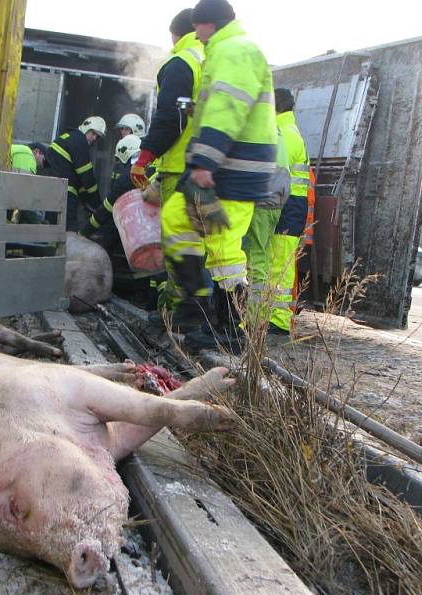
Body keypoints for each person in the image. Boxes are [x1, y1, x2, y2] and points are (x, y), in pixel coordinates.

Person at [165, 0, 277, 351]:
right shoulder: (230, 50)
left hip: (233, 171)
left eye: (197, 27)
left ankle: (220, 324)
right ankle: (206, 318)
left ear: (207, 24)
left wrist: (203, 164)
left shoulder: (234, 51)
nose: (194, 34)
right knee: (198, 233)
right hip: (231, 169)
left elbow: (228, 109)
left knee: (215, 243)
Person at [131, 8, 205, 320]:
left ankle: (178, 317)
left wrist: (144, 158)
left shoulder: (181, 62)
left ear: (175, 32)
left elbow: (171, 118)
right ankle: (205, 317)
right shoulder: (212, 60)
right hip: (211, 169)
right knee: (205, 245)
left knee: (179, 245)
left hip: (182, 169)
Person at [247, 87, 311, 337]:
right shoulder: (292, 130)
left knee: (278, 264)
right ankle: (276, 318)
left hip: (286, 204)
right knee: (279, 263)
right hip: (291, 204)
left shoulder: (283, 133)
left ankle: (278, 320)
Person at [80, 134, 143, 252]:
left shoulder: (128, 176)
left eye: (119, 159)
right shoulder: (149, 168)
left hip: (133, 224)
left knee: (105, 241)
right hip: (148, 225)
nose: (118, 163)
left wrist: (84, 232)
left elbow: (108, 207)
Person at [45, 117, 106, 231]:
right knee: (68, 231)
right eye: (93, 133)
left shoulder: (68, 137)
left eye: (97, 137)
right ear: (86, 127)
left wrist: (86, 201)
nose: (94, 138)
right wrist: (98, 206)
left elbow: (78, 180)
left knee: (52, 230)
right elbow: (87, 178)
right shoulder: (80, 141)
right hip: (64, 195)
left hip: (51, 192)